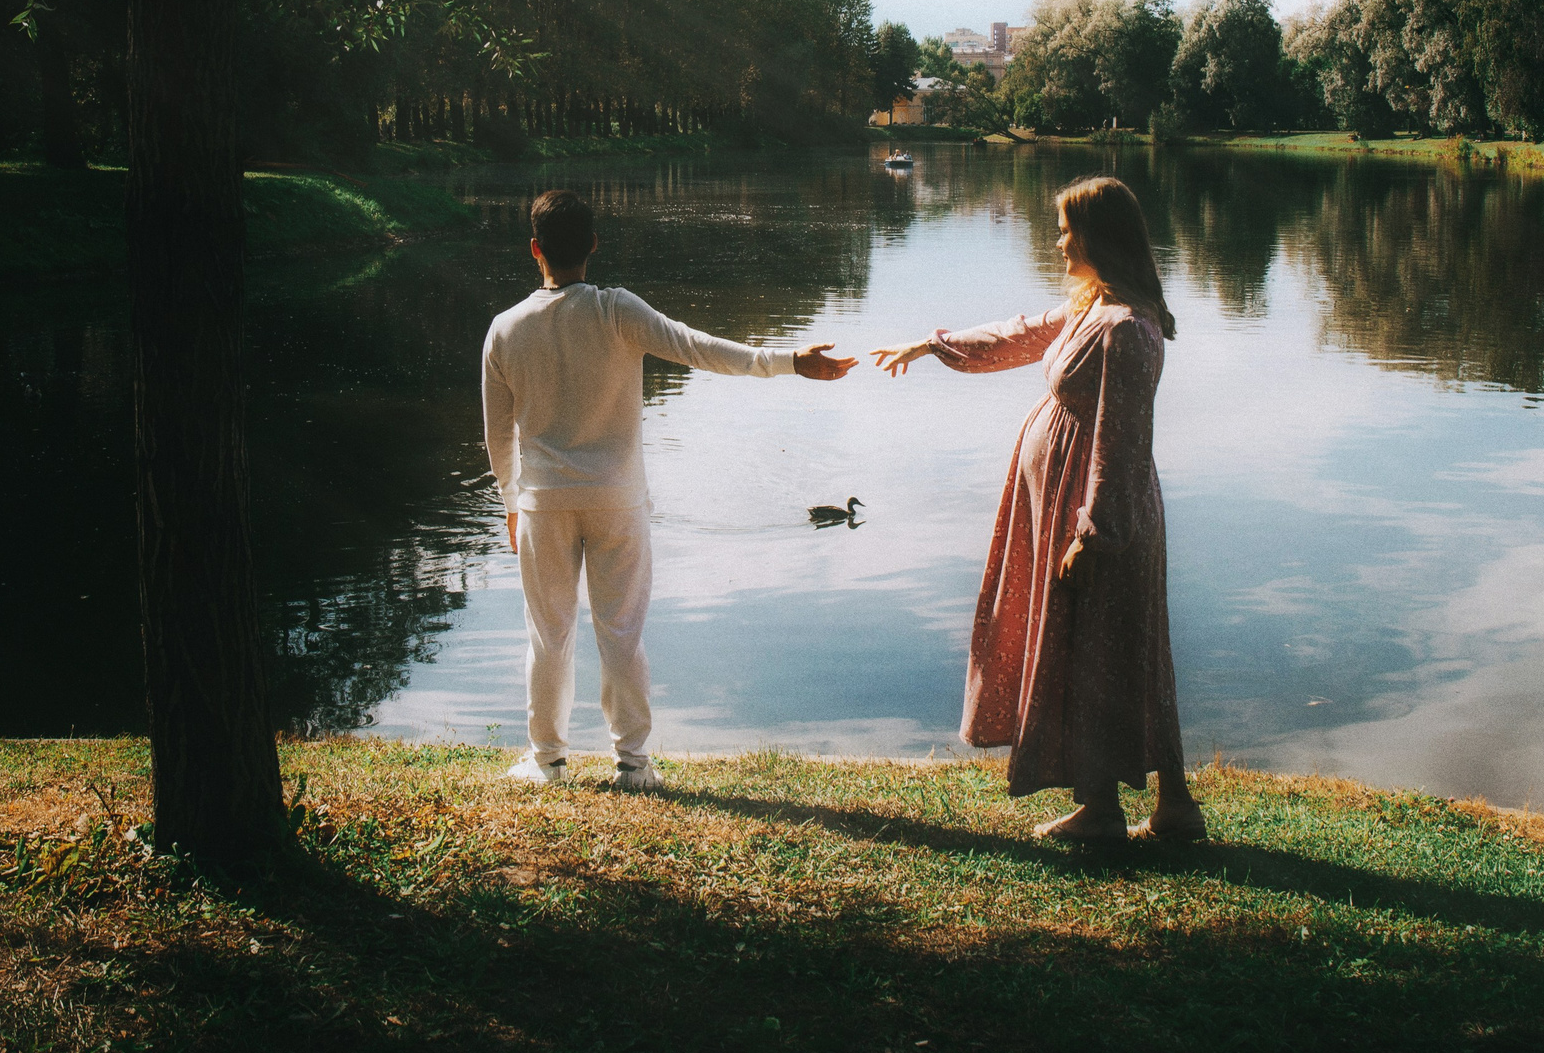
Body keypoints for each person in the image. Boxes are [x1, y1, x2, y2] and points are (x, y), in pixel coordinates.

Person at [483, 189, 853, 790]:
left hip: (542, 502)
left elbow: (498, 435)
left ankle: (546, 760)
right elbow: (698, 348)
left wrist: (509, 502)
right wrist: (788, 359)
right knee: (621, 632)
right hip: (618, 501)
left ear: (534, 250)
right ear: (594, 245)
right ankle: (632, 764)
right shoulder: (616, 311)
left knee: (547, 633)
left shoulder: (503, 329)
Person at [871, 175, 1202, 841]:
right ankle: (1129, 807)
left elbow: (1122, 440)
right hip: (1075, 506)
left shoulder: (1127, 330)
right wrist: (934, 345)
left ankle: (1143, 808)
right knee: (1099, 647)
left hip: (1101, 514)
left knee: (1114, 648)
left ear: (1097, 237)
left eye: (1065, 229)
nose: (1056, 242)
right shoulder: (1093, 307)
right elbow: (1018, 334)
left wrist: (1096, 532)